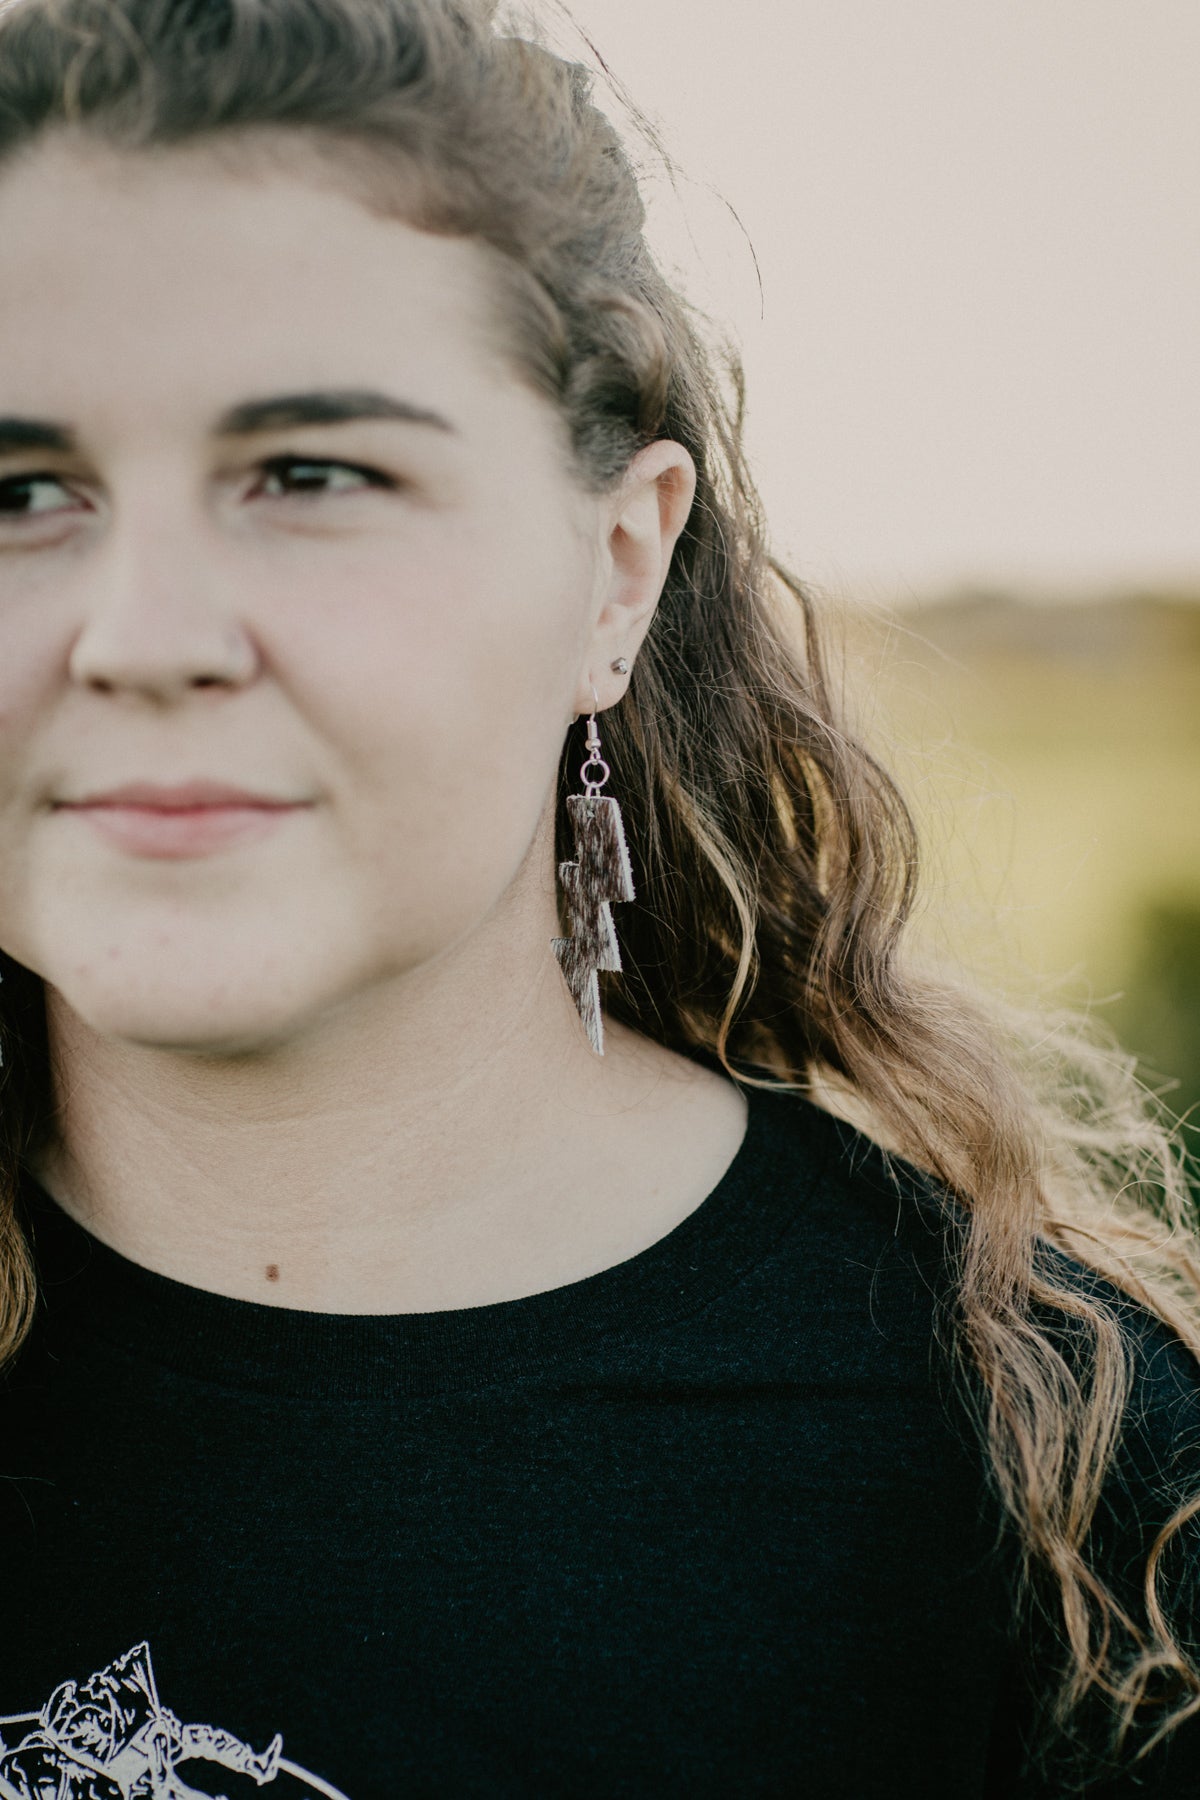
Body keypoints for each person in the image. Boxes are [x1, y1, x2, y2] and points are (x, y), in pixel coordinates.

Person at [0, 1, 1196, 1794]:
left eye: (314, 475)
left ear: (617, 569)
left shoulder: (1054, 1488)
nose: (144, 635)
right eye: (19, 490)